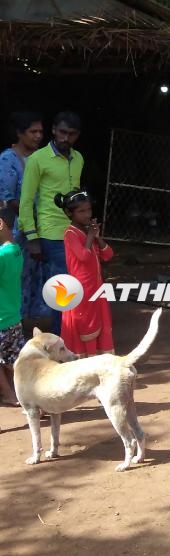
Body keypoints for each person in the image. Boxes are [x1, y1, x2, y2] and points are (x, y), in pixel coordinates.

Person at [18, 111, 84, 334]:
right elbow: (26, 200)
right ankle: (60, 337)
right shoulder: (38, 159)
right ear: (54, 130)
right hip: (51, 233)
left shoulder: (79, 158)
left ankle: (69, 336)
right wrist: (32, 237)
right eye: (62, 132)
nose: (66, 138)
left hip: (75, 232)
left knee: (76, 284)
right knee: (62, 288)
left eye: (71, 134)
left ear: (77, 135)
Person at [0, 111, 49, 321]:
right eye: (32, 131)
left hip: (39, 227)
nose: (38, 136)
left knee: (33, 275)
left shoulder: (42, 158)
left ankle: (23, 324)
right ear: (19, 133)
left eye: (40, 131)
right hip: (16, 228)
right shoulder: (8, 159)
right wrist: (31, 222)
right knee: (14, 276)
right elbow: (8, 198)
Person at [56, 189, 114, 355]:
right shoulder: (70, 233)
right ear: (69, 213)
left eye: (89, 210)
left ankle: (97, 362)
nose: (87, 214)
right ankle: (86, 363)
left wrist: (97, 237)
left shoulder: (88, 231)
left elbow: (108, 255)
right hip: (81, 290)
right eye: (81, 211)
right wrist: (90, 236)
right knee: (86, 326)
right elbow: (83, 256)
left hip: (95, 287)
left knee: (99, 324)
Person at [0, 206, 24, 406]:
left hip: (1, 318)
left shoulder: (2, 256)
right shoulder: (16, 251)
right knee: (13, 360)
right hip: (13, 316)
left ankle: (9, 395)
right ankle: (30, 395)